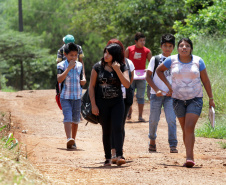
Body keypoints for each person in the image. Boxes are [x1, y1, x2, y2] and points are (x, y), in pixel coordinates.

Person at [156, 38, 215, 168]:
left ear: (191, 48)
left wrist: (211, 99)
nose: (184, 47)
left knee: (189, 127)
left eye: (187, 46)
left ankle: (190, 157)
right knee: (185, 129)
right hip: (177, 100)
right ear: (178, 48)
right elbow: (158, 71)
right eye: (181, 45)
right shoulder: (171, 60)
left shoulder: (198, 61)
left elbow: (205, 81)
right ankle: (189, 154)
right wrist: (168, 86)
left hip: (195, 98)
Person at [89, 44, 130, 166]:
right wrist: (93, 105)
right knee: (106, 130)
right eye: (105, 52)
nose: (106, 55)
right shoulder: (97, 67)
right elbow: (91, 86)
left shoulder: (122, 66)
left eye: (109, 53)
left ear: (115, 55)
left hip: (117, 102)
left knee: (118, 127)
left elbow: (127, 84)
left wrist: (117, 70)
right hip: (102, 103)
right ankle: (107, 158)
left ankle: (119, 155)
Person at [146, 34, 178, 153]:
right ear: (161, 46)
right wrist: (156, 89)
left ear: (173, 47)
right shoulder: (155, 59)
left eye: (170, 46)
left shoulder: (177, 60)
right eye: (165, 46)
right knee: (154, 119)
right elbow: (148, 76)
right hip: (156, 94)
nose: (167, 48)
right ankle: (152, 141)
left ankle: (173, 145)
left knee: (171, 119)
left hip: (171, 96)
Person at [106, 39, 135, 164]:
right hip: (109, 99)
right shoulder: (104, 64)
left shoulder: (127, 63)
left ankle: (119, 152)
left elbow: (130, 80)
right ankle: (114, 153)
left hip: (124, 98)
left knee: (119, 125)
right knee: (111, 126)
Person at [57, 43, 86, 149]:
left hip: (77, 97)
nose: (74, 57)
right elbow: (59, 79)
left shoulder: (79, 65)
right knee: (67, 117)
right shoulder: (61, 66)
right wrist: (68, 68)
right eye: (71, 55)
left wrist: (83, 81)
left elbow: (82, 78)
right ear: (65, 54)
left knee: (75, 120)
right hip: (65, 97)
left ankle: (73, 140)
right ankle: (69, 138)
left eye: (75, 55)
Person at [125, 32, 152, 122]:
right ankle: (129, 111)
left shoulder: (147, 51)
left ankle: (140, 116)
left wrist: (147, 70)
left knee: (140, 96)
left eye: (144, 40)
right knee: (129, 95)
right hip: (130, 77)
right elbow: (124, 62)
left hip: (141, 77)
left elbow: (152, 64)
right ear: (136, 41)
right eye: (141, 40)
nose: (143, 42)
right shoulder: (129, 49)